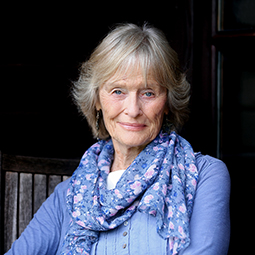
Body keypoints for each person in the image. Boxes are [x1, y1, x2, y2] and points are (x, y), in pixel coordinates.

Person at [6, 23, 230, 255]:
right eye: (118, 91)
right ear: (97, 100)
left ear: (167, 103)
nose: (133, 110)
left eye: (148, 93)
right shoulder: (71, 195)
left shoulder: (204, 176)